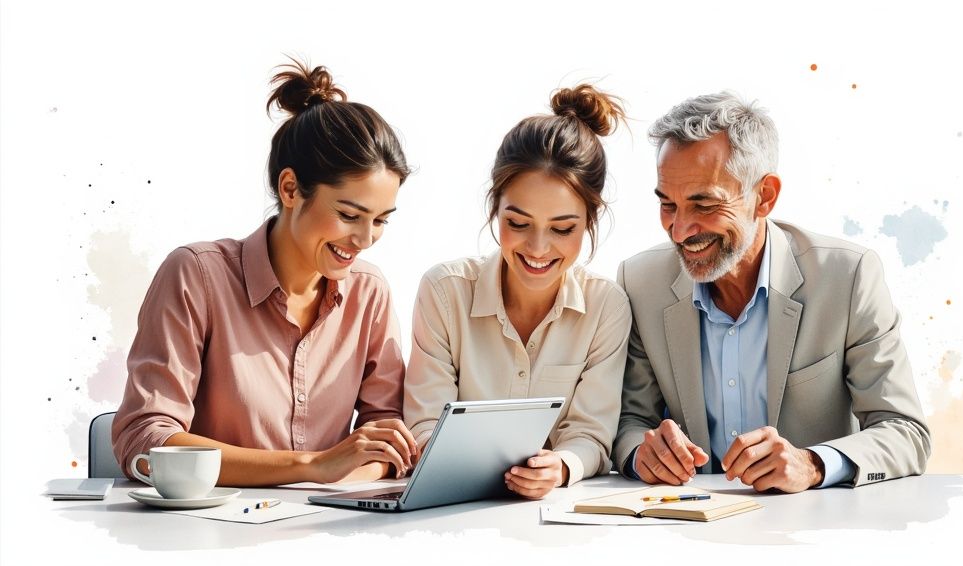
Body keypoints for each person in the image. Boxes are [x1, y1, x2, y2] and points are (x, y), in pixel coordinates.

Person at [112, 59, 418, 487]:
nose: (365, 239)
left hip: (326, 526)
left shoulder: (369, 292)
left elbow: (386, 434)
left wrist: (337, 485)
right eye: (350, 215)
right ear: (290, 189)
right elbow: (146, 438)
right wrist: (311, 467)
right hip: (206, 534)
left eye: (382, 220)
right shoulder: (196, 276)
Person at [613, 91, 931, 492]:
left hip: (813, 534)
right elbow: (628, 423)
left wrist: (814, 464)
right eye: (667, 205)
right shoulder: (640, 283)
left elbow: (905, 431)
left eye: (704, 205)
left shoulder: (848, 277)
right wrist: (641, 453)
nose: (680, 230)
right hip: (688, 534)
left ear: (764, 196)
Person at [403, 85, 631, 499]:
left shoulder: (606, 306)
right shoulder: (444, 292)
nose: (539, 249)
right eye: (518, 223)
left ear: (590, 220)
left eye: (563, 229)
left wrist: (561, 466)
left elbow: (592, 435)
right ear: (495, 208)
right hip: (451, 509)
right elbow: (424, 427)